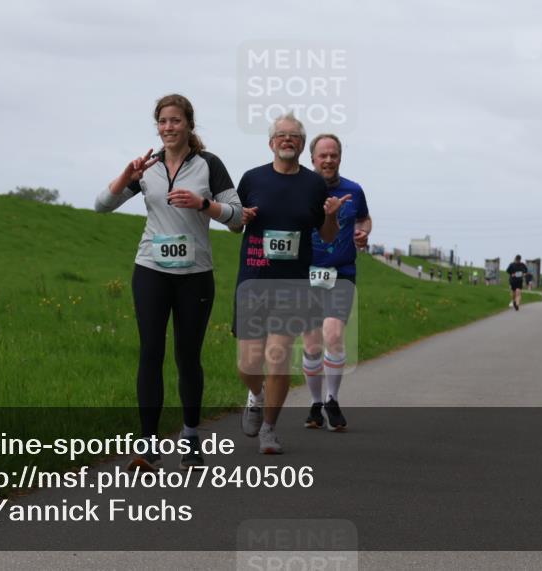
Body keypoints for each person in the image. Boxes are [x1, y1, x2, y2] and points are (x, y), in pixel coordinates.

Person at [95, 94, 243, 471]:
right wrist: (127, 176)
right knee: (150, 353)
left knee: (187, 357)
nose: (168, 128)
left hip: (194, 276)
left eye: (175, 121)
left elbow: (238, 218)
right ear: (157, 126)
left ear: (189, 125)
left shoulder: (209, 165)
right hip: (150, 269)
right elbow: (101, 205)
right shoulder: (149, 167)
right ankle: (147, 444)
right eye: (162, 121)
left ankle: (191, 438)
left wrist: (203, 205)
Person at [233, 114, 346, 454]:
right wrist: (241, 217)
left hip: (293, 283)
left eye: (294, 136)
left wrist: (330, 216)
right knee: (248, 364)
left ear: (301, 144)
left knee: (277, 357)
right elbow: (233, 226)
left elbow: (327, 235)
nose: (287, 140)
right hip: (253, 279)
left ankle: (269, 430)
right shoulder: (252, 179)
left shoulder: (313, 185)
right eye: (281, 135)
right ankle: (255, 395)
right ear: (271, 143)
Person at [301, 133, 371, 432]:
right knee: (312, 343)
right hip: (306, 274)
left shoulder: (354, 190)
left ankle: (332, 399)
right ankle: (316, 404)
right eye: (322, 155)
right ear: (312, 158)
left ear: (340, 158)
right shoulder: (301, 189)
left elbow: (365, 219)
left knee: (332, 335)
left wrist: (363, 233)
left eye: (333, 155)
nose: (328, 160)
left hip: (342, 272)